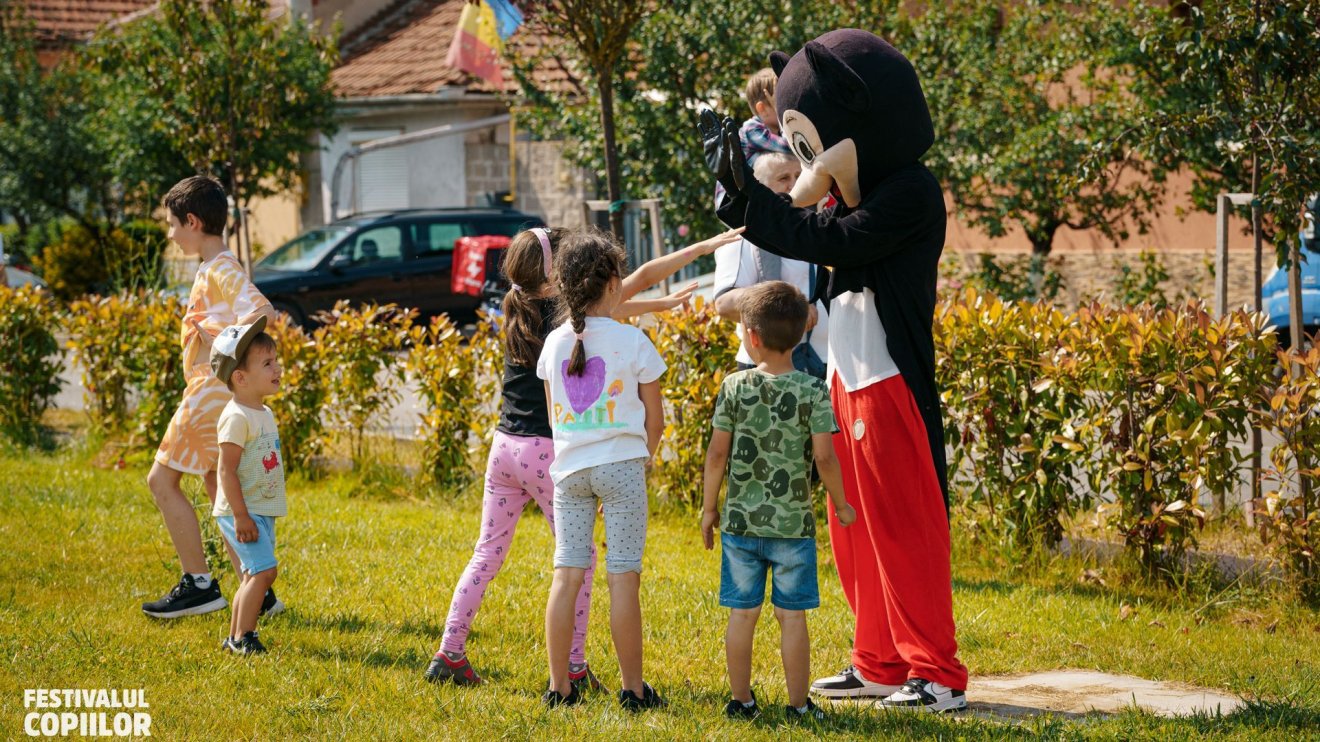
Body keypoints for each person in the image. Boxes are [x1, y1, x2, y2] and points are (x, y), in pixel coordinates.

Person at [701, 30, 970, 712]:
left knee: (904, 530)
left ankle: (935, 670)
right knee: (853, 530)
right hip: (846, 385)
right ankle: (876, 658)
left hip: (890, 390)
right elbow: (809, 220)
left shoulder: (910, 191)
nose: (807, 164)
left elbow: (828, 239)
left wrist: (751, 202)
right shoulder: (847, 198)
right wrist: (736, 193)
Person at [425, 225, 743, 688]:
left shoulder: (524, 311)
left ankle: (449, 649)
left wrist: (659, 306)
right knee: (579, 564)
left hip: (504, 448)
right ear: (556, 277)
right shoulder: (563, 321)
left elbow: (614, 306)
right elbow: (637, 284)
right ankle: (574, 665)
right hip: (549, 452)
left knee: (488, 553)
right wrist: (705, 247)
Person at [701, 281, 855, 721]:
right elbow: (824, 457)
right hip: (792, 527)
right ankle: (798, 705)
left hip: (741, 525)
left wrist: (710, 509)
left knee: (742, 615)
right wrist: (841, 504)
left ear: (751, 336)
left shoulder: (734, 387)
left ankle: (741, 701)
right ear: (804, 331)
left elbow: (717, 454)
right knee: (792, 619)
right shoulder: (812, 390)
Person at [536, 229, 668, 710]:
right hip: (621, 470)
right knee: (622, 579)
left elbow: (554, 418)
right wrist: (644, 455)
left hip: (569, 474)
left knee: (566, 577)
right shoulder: (633, 341)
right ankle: (633, 690)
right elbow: (655, 418)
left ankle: (558, 688)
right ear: (615, 282)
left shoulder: (552, 344)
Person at [142, 176, 280, 620]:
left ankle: (199, 585)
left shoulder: (221, 266)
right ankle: (257, 586)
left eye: (172, 224)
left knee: (161, 482)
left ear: (193, 221)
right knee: (215, 486)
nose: (170, 234)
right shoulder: (213, 266)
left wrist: (219, 339)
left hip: (207, 393)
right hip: (209, 394)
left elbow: (261, 312)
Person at [713, 152, 828, 377]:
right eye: (784, 178)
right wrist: (792, 308)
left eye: (798, 176)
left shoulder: (818, 225)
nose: (794, 185)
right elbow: (724, 303)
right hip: (768, 371)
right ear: (761, 188)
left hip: (826, 362)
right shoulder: (741, 236)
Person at [209, 317, 285, 654]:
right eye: (267, 363)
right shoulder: (236, 416)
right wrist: (240, 517)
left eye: (275, 360)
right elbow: (225, 471)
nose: (277, 367)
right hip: (242, 511)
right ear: (240, 377)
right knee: (264, 571)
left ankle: (235, 637)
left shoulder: (262, 412)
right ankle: (245, 637)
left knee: (254, 573)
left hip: (259, 508)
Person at [715, 67, 793, 207]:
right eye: (781, 103)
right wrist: (784, 118)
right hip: (731, 202)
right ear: (762, 108)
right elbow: (791, 147)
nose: (787, 107)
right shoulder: (752, 129)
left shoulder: (773, 132)